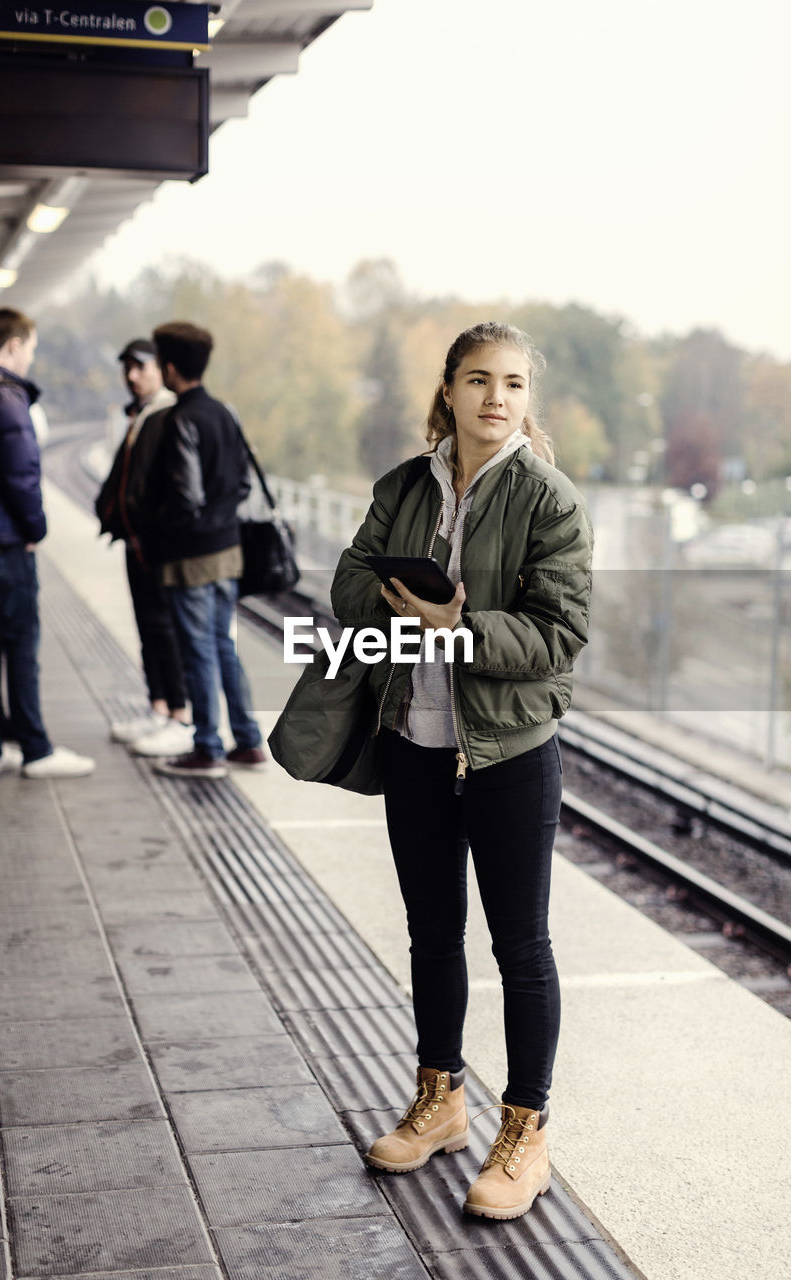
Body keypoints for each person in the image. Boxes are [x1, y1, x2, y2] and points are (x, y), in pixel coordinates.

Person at [330, 322, 592, 1219]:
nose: (494, 398)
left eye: (512, 383)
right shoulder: (405, 485)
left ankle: (526, 1132)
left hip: (508, 752)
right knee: (430, 932)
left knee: (520, 946)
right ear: (446, 389)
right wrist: (396, 599)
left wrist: (458, 627)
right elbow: (347, 583)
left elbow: (559, 637)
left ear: (526, 398)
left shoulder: (548, 501)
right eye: (477, 380)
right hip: (415, 737)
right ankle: (440, 1101)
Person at [0, 308, 95, 778]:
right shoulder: (4, 395)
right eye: (30, 348)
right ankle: (36, 749)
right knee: (22, 645)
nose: (29, 357)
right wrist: (35, 531)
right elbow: (22, 475)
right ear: (12, 344)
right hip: (2, 542)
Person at [144, 321, 265, 778]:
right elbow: (242, 482)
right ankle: (248, 740)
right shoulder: (224, 413)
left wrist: (158, 529)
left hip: (191, 557)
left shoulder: (181, 419)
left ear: (170, 368)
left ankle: (207, 747)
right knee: (221, 646)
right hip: (227, 551)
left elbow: (186, 499)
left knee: (196, 651)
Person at [95, 338, 193, 757]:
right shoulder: (142, 414)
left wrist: (152, 531)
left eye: (140, 367)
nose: (132, 376)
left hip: (159, 547)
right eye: (127, 368)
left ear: (162, 368)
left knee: (164, 628)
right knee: (148, 627)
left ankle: (179, 714)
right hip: (138, 545)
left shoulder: (169, 414)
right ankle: (157, 707)